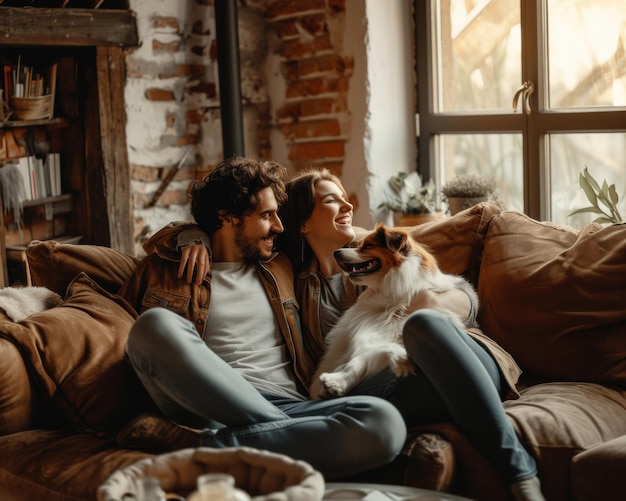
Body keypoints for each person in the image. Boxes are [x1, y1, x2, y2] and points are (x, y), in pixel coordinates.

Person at [116, 156, 406, 480]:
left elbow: (343, 236)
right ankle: (276, 439)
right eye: (267, 215)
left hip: (291, 406)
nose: (279, 226)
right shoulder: (163, 269)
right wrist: (191, 235)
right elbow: (121, 332)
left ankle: (206, 446)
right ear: (227, 218)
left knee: (384, 422)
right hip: (208, 408)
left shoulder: (280, 263)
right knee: (153, 326)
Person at [274, 168, 545, 501]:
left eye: (346, 197)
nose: (347, 205)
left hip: (457, 355)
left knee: (425, 324)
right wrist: (191, 239)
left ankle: (519, 469)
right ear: (302, 222)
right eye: (332, 200)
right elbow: (221, 236)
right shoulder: (286, 275)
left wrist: (429, 302)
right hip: (388, 381)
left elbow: (467, 302)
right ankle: (513, 464)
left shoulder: (380, 248)